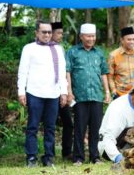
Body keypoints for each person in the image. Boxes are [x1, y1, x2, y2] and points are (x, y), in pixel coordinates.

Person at [17, 20, 68, 167]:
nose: (47, 35)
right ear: (37, 33)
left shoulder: (58, 49)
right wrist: (21, 92)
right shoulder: (29, 48)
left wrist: (63, 92)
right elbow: (23, 71)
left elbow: (62, 72)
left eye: (49, 32)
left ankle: (48, 157)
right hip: (34, 93)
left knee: (50, 127)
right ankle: (31, 157)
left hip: (53, 94)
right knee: (32, 126)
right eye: (44, 32)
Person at [66, 23, 110, 166]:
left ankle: (95, 156)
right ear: (81, 37)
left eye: (93, 36)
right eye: (88, 36)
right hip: (79, 96)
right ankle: (78, 157)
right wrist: (69, 92)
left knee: (96, 127)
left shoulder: (99, 52)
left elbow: (104, 73)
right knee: (80, 127)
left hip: (96, 95)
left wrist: (107, 92)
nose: (91, 39)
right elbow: (68, 72)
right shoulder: (73, 52)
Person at [51, 22, 73, 160]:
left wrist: (66, 91)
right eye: (58, 33)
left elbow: (64, 72)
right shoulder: (39, 48)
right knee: (50, 124)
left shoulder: (60, 49)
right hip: (48, 93)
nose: (61, 36)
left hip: (62, 91)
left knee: (68, 123)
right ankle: (50, 153)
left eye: (61, 33)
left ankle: (66, 153)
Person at [108, 26, 134, 99]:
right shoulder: (113, 55)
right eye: (129, 39)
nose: (132, 42)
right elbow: (110, 76)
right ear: (122, 40)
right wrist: (114, 91)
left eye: (133, 39)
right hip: (120, 95)